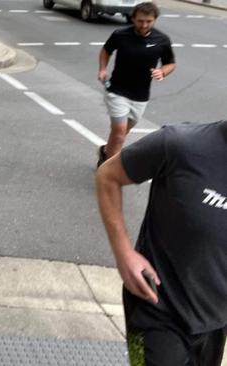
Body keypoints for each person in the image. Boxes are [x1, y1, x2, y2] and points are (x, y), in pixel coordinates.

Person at [96, 120, 227, 365]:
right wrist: (123, 252)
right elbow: (107, 176)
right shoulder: (180, 144)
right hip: (157, 311)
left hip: (215, 321)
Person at [96, 2, 175, 168]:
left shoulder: (162, 40)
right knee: (118, 134)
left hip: (140, 96)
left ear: (154, 20)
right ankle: (109, 173)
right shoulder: (120, 34)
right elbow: (106, 50)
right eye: (140, 21)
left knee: (122, 133)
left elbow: (170, 63)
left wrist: (162, 72)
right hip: (116, 90)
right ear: (133, 18)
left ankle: (105, 152)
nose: (144, 25)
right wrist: (103, 69)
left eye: (148, 21)